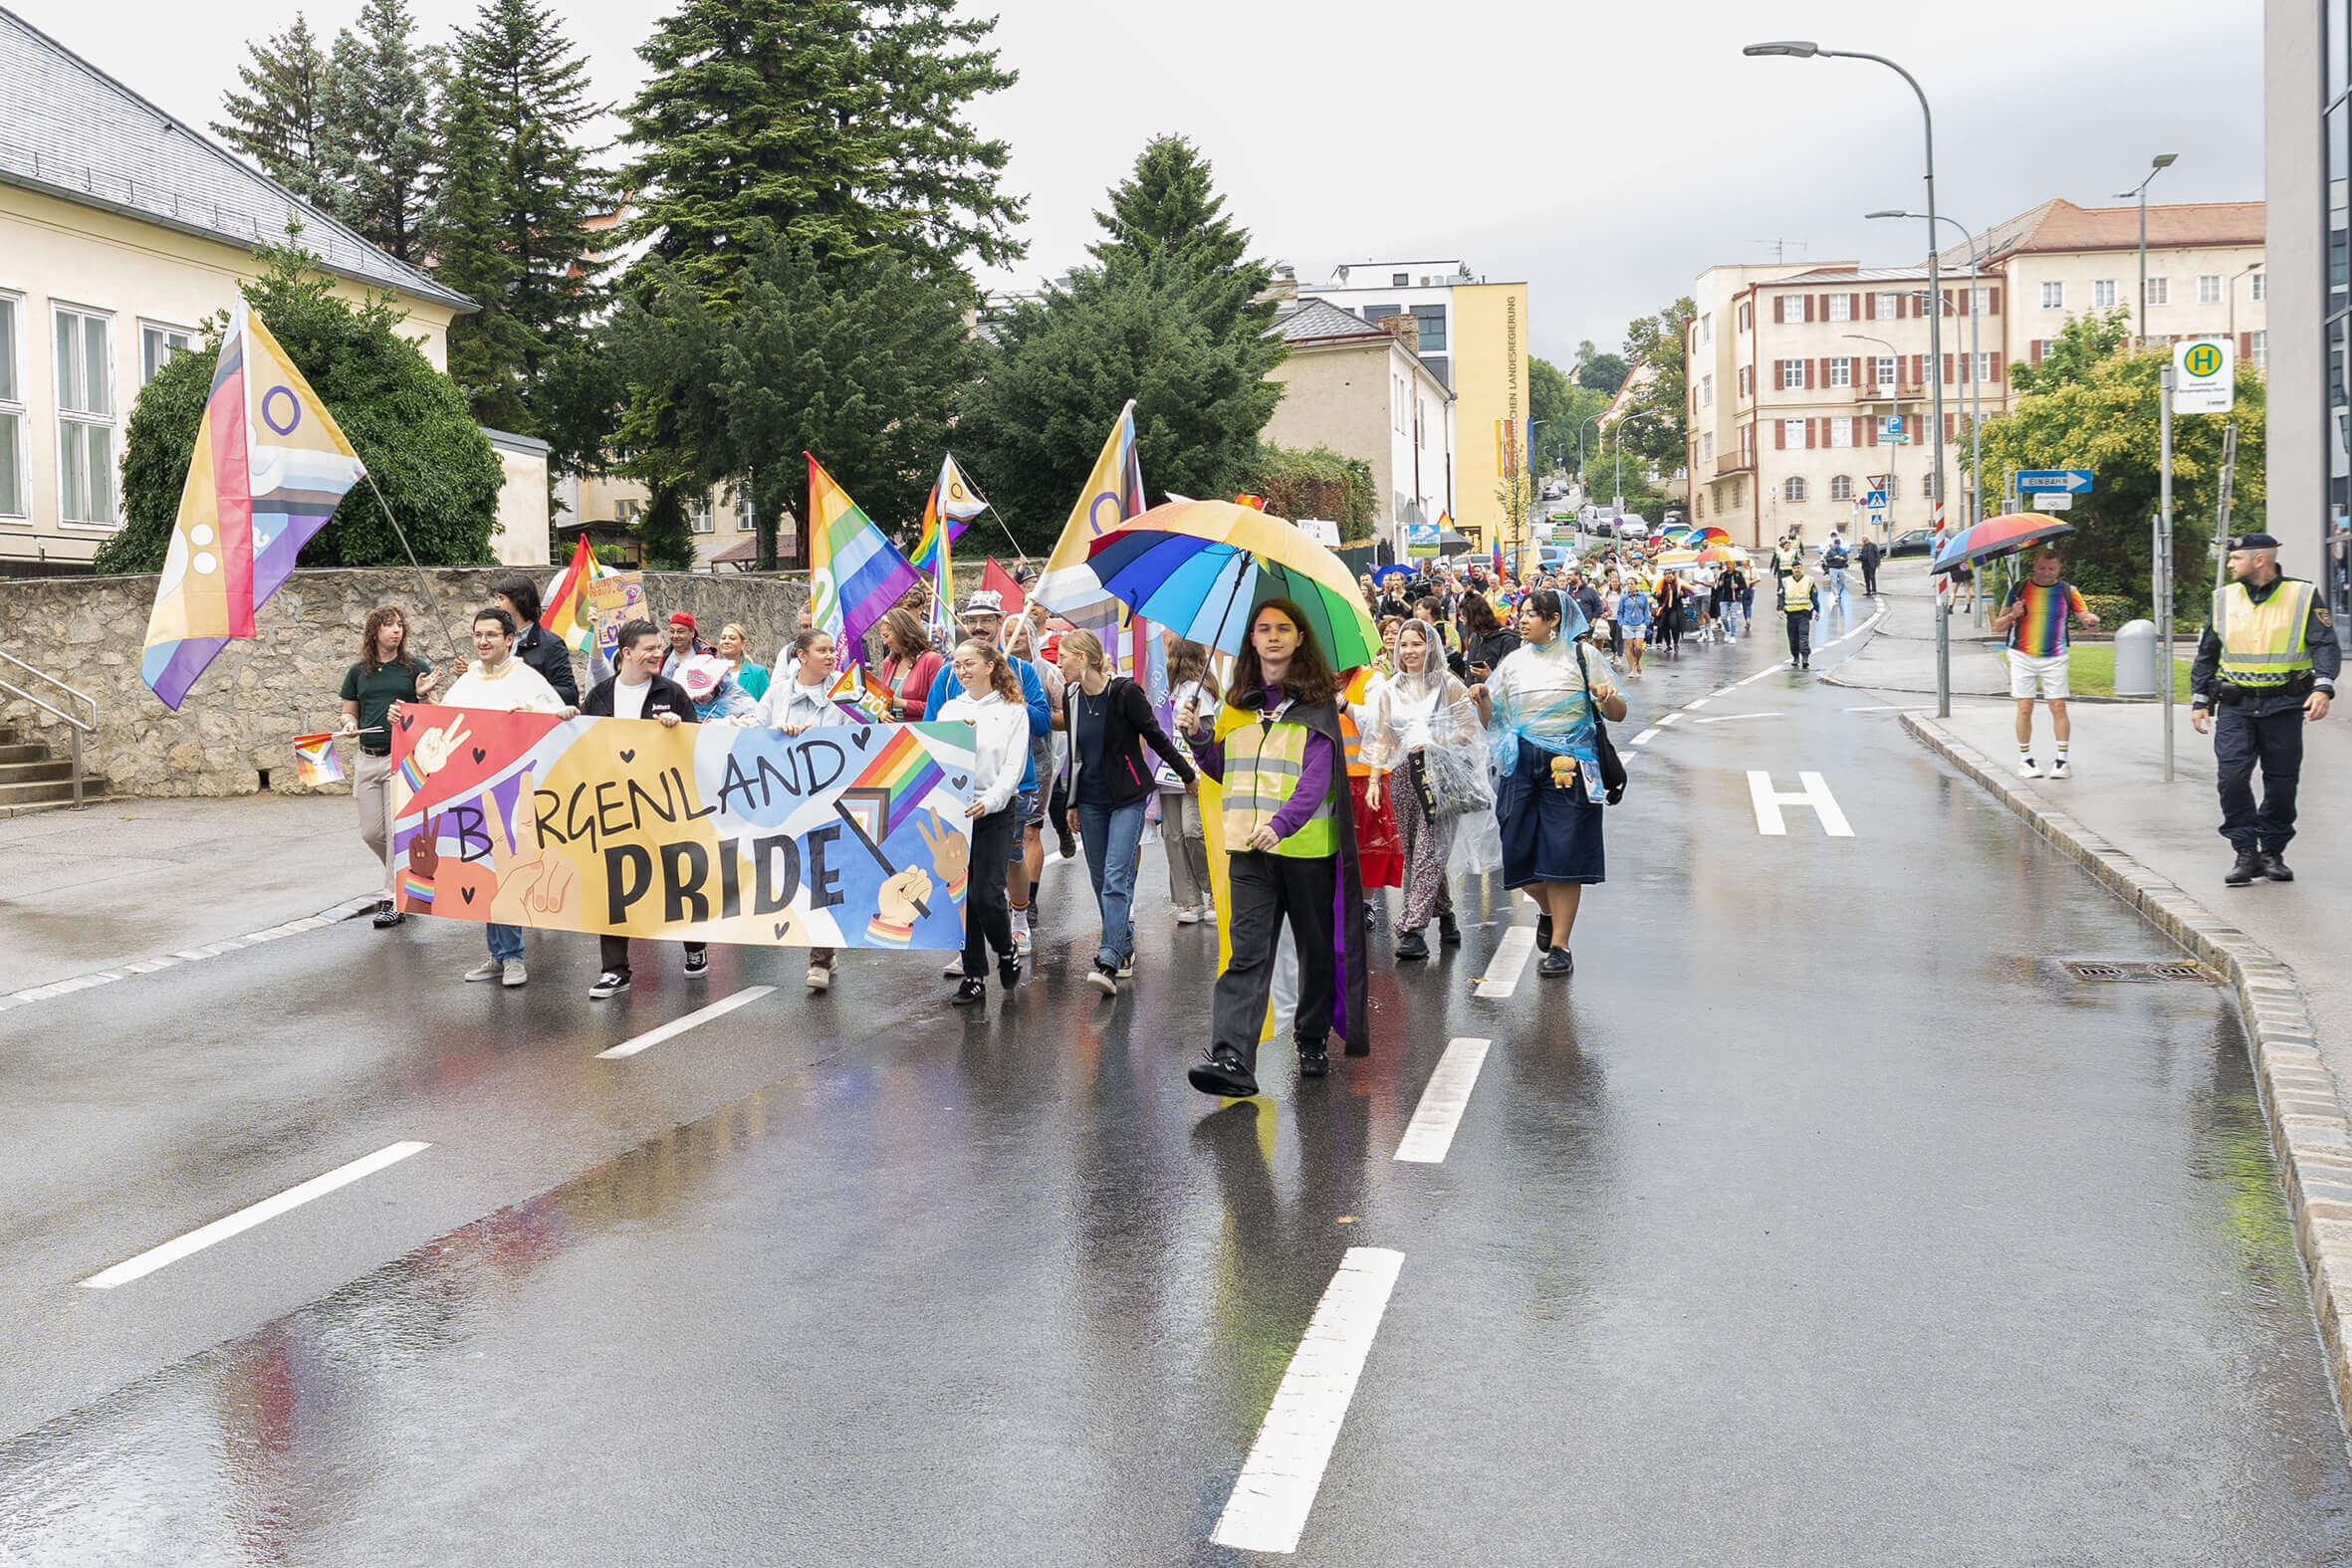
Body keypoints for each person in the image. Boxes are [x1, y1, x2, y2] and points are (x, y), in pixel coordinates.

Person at [1181, 598, 1368, 1099]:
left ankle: (1310, 1038)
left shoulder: (1318, 703)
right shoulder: (1237, 705)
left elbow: (1315, 780)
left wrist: (1282, 825)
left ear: (1300, 638)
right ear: (1251, 640)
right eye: (1263, 629)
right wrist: (1199, 738)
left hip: (1306, 850)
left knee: (1316, 952)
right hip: (1249, 850)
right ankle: (1232, 1058)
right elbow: (1226, 769)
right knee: (1245, 956)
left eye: (1283, 628)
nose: (1272, 637)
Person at [1470, 588, 1626, 979]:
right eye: (1521, 613)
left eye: (1531, 614)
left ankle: (1560, 945)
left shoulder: (1583, 657)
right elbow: (1494, 723)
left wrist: (1607, 697)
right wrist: (1483, 699)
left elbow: (1619, 712)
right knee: (1516, 849)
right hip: (1520, 763)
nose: (1521, 620)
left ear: (1554, 620)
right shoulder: (1513, 663)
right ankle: (1545, 909)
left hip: (1569, 766)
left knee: (1564, 855)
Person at [2191, 532, 2340, 885]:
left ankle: (2272, 852)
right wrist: (2200, 699)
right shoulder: (2222, 598)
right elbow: (2207, 653)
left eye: (2235, 559)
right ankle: (2245, 851)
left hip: (2284, 705)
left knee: (2282, 783)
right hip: (2235, 705)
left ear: (2259, 560)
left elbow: (2324, 645)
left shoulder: (2302, 595)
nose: (2229, 565)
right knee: (2231, 779)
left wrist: (2323, 687)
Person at [1058, 628, 1196, 995]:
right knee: (1100, 880)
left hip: (1128, 797)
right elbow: (1076, 755)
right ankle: (1126, 941)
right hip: (1090, 800)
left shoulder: (1124, 692)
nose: (1059, 662)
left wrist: (1186, 774)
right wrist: (1072, 801)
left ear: (1083, 658)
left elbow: (1156, 735)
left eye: (1064, 655)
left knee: (1117, 877)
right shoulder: (1071, 696)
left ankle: (1109, 956)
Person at [437, 606, 569, 987]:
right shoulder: (467, 680)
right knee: (483, 869)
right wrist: (409, 716)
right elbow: (444, 724)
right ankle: (497, 954)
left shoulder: (527, 677)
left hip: (515, 788)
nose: (483, 642)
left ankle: (513, 956)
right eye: (478, 635)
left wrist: (530, 713)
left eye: (491, 635)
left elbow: (557, 715)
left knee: (506, 866)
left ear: (509, 639)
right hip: (472, 787)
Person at [922, 590, 1052, 975]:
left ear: (999, 624)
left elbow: (1041, 724)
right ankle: (973, 968)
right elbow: (929, 733)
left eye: (987, 620)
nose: (979, 626)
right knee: (963, 887)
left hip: (1009, 793)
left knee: (1003, 869)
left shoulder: (1022, 671)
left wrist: (1008, 702)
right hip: (956, 802)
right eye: (972, 620)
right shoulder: (948, 681)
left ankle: (1017, 923)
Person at [581, 619, 705, 998]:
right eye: (649, 648)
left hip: (665, 803)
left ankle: (695, 944)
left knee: (677, 874)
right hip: (614, 804)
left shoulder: (673, 692)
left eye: (659, 647)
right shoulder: (600, 695)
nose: (657, 653)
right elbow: (582, 745)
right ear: (626, 654)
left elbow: (697, 744)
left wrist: (678, 727)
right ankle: (615, 970)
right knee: (613, 883)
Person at [745, 626, 863, 990]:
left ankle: (820, 958)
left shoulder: (847, 694)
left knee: (822, 873)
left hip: (828, 798)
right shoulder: (778, 693)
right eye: (822, 651)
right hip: (785, 798)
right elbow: (751, 729)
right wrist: (774, 733)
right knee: (789, 873)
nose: (830, 657)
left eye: (832, 651)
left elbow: (866, 738)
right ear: (801, 656)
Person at [1363, 619, 1478, 960]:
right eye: (1403, 645)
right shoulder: (1389, 690)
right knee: (1416, 853)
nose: (1409, 651)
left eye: (1416, 644)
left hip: (1440, 775)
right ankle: (1446, 915)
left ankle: (1412, 929)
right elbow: (1381, 739)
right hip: (1402, 778)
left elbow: (1469, 729)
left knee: (1430, 850)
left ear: (1430, 647)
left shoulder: (1448, 685)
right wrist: (1373, 780)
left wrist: (1434, 742)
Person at [937, 637, 1031, 1006]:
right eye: (957, 664)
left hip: (993, 811)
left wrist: (991, 802)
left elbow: (1013, 768)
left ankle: (1006, 950)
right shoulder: (949, 710)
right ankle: (974, 974)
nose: (961, 670)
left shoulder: (1012, 711)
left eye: (969, 663)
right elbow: (935, 755)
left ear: (990, 666)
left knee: (986, 895)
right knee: (961, 898)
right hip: (954, 812)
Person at [339, 604, 443, 928]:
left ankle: (393, 899)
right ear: (375, 632)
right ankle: (407, 871)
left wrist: (422, 696)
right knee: (372, 833)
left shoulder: (414, 668)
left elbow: (436, 712)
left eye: (399, 624)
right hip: (367, 757)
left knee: (398, 835)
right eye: (388, 625)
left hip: (403, 761)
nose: (396, 630)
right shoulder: (359, 672)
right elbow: (349, 711)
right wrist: (347, 724)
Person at [1992, 549, 2100, 780]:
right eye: (2042, 568)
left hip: (2055, 657)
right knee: (2025, 707)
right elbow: (1997, 626)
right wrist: (2013, 614)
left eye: (2051, 568)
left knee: (2058, 706)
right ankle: (2025, 760)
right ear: (2034, 566)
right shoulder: (2019, 589)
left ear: (2059, 568)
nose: (2046, 573)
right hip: (2022, 655)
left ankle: (2062, 761)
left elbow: (2085, 618)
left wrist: (2091, 621)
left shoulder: (2068, 591)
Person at [1159, 639, 1221, 926]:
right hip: (1167, 769)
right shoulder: (1165, 689)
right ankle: (1189, 899)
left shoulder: (1201, 692)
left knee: (1193, 830)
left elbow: (1205, 733)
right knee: (1172, 835)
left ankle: (1215, 891)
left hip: (1193, 772)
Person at [492, 574, 581, 710]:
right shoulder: (499, 640)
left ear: (518, 601)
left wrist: (530, 694)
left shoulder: (551, 644)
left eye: (501, 598)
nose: (496, 604)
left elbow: (569, 694)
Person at [874, 607, 945, 722]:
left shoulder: (931, 660)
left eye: (886, 636)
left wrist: (905, 704)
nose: (885, 642)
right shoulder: (889, 662)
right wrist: (882, 713)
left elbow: (939, 707)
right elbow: (882, 700)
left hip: (920, 733)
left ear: (901, 632)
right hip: (890, 733)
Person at [1456, 592, 1519, 686]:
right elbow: (1468, 674)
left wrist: (1489, 677)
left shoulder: (1507, 640)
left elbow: (1513, 682)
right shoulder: (1476, 638)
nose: (1464, 623)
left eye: (1463, 618)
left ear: (1475, 617)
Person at [716, 622, 770, 702]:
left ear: (743, 644)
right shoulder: (713, 672)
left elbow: (768, 705)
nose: (726, 641)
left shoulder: (758, 672)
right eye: (723, 638)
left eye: (732, 638)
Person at [1616, 576, 1653, 676]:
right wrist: (1622, 623)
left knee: (1639, 647)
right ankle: (1632, 670)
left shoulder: (1643, 596)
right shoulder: (1624, 598)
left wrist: (1646, 623)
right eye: (1628, 584)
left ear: (1636, 585)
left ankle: (1637, 662)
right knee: (1629, 647)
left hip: (1640, 624)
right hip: (1627, 625)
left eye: (1632, 584)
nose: (1630, 586)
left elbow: (1646, 610)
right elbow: (1620, 612)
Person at [1782, 563, 1817, 668]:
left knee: (1803, 637)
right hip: (1791, 614)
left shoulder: (1809, 580)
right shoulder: (1786, 581)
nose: (1796, 570)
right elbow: (1781, 595)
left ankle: (1805, 657)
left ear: (1801, 568)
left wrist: (1817, 609)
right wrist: (1779, 608)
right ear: (1792, 569)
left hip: (1804, 614)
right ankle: (1795, 657)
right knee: (1793, 638)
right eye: (1794, 568)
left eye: (1798, 568)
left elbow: (1814, 596)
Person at [660, 611, 714, 678]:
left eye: (680, 631)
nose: (675, 636)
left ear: (692, 633)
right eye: (672, 631)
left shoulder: (705, 656)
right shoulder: (662, 656)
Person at [1652, 570, 1684, 658]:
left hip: (1674, 609)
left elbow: (1688, 593)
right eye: (1666, 575)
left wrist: (1682, 594)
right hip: (1664, 610)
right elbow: (1653, 594)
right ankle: (1668, 645)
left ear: (1673, 576)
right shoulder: (1661, 585)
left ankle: (1676, 643)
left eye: (1670, 574)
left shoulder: (1677, 584)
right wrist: (1656, 595)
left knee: (1674, 625)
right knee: (1664, 627)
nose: (1668, 576)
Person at [1821, 531, 1851, 617]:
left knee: (1842, 583)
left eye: (1838, 544)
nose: (1837, 545)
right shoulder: (1830, 551)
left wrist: (1843, 559)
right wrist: (1833, 558)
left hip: (1841, 568)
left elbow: (1846, 559)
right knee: (1833, 583)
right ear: (1834, 544)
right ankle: (1836, 595)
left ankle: (1839, 594)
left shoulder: (1843, 551)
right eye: (1836, 544)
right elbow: (1826, 558)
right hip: (1833, 568)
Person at [1857, 534, 1884, 598]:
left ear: (1866, 538)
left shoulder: (1873, 545)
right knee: (1866, 578)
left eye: (1863, 538)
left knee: (1872, 577)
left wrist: (1878, 564)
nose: (1862, 540)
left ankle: (1874, 590)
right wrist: (1859, 558)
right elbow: (1863, 555)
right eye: (1862, 538)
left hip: (1871, 564)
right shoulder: (1863, 546)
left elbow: (1877, 555)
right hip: (1865, 564)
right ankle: (1868, 591)